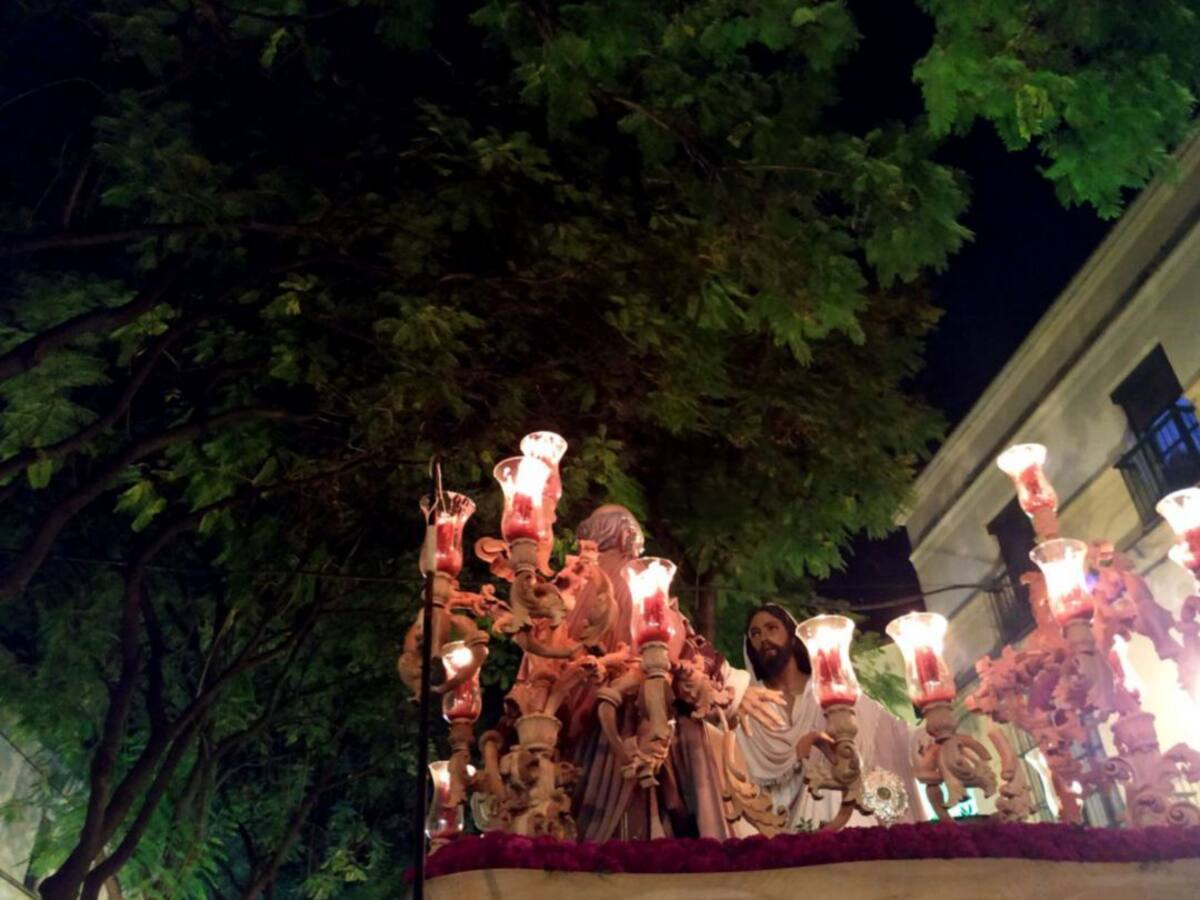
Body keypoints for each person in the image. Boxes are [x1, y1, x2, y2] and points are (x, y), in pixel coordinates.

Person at [565, 505, 782, 839]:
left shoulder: (571, 588)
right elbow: (672, 647)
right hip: (638, 725)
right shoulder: (635, 580)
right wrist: (731, 687)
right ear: (626, 537)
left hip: (589, 739)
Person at [735, 603, 923, 830]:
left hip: (843, 817)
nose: (764, 638)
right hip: (780, 832)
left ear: (793, 638)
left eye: (771, 628)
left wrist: (927, 736)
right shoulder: (750, 707)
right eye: (755, 634)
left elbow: (891, 730)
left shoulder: (829, 690)